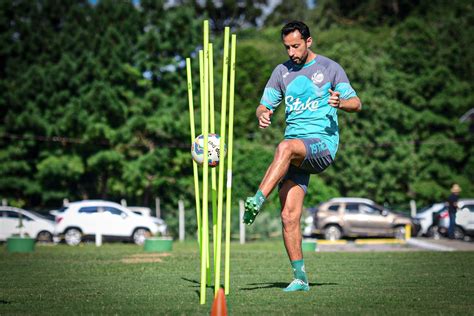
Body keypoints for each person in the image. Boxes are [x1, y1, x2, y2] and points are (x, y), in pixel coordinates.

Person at [243, 21, 362, 292]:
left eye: (296, 46)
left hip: (322, 145)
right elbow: (263, 105)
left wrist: (341, 103)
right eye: (287, 47)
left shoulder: (330, 68)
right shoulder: (281, 72)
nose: (291, 52)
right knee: (289, 216)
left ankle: (257, 199)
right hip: (298, 154)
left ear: (309, 41)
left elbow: (357, 102)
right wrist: (262, 114)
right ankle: (300, 278)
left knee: (284, 147)